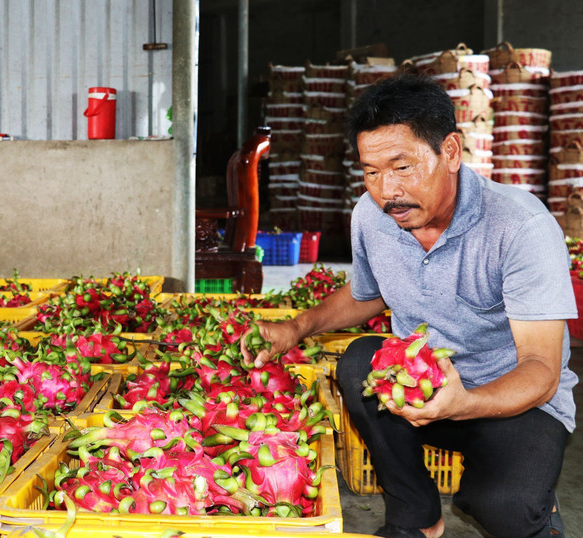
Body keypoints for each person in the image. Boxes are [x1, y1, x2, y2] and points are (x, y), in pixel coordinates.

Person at [241, 74, 577, 538]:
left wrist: (465, 402)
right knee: (359, 363)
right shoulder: (372, 216)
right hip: (420, 390)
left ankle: (533, 506)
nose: (386, 191)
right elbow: (368, 293)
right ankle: (417, 518)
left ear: (452, 152)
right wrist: (296, 328)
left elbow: (541, 368)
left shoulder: (520, 227)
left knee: (503, 507)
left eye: (402, 167)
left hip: (514, 401)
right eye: (371, 171)